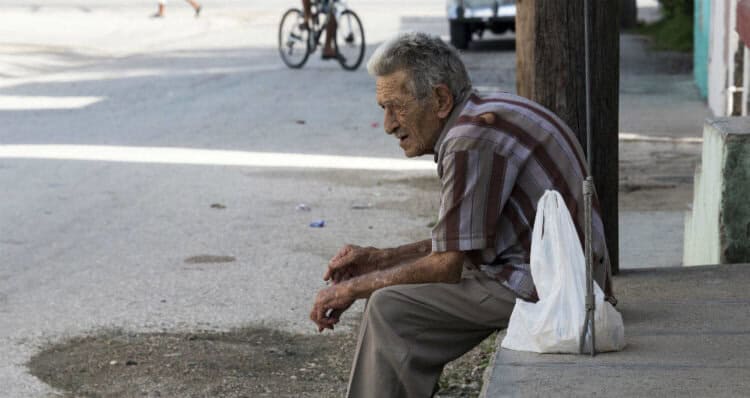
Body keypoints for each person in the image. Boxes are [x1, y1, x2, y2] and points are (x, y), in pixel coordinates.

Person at [309, 32, 615, 397]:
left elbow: (447, 265)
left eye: (397, 107)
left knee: (390, 309)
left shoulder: (469, 140)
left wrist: (353, 288)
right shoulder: (480, 111)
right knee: (391, 296)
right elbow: (462, 240)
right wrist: (378, 260)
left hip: (561, 289)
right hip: (567, 273)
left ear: (440, 98)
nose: (390, 125)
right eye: (384, 110)